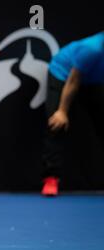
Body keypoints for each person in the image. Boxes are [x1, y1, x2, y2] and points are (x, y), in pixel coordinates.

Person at [41, 31, 104, 196]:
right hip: (63, 74)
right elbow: (74, 80)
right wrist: (62, 111)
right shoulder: (93, 49)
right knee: (57, 123)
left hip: (93, 80)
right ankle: (51, 177)